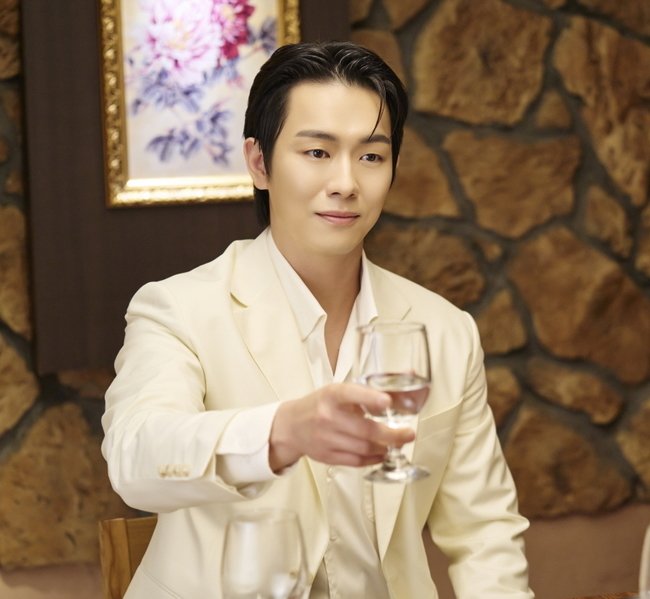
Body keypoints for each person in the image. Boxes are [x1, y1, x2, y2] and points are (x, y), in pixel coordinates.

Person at [102, 41, 534, 598]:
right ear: (259, 163)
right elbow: (138, 457)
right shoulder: (179, 308)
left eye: (371, 157)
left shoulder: (446, 331)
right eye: (317, 152)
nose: (346, 183)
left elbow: (485, 532)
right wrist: (282, 432)